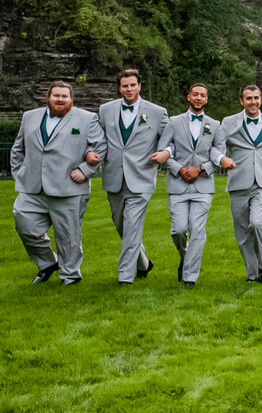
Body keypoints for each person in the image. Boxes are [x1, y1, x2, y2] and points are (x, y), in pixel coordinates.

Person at [11, 81, 105, 284]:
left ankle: (70, 275)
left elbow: (100, 147)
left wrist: (85, 171)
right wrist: (19, 173)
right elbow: (18, 148)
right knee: (24, 224)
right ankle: (47, 263)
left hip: (69, 187)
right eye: (56, 95)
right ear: (49, 97)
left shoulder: (87, 119)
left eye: (65, 96)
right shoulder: (30, 117)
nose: (60, 99)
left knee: (68, 236)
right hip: (32, 187)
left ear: (71, 99)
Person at [97, 69, 169, 284]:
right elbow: (98, 139)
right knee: (121, 225)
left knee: (132, 226)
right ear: (119, 88)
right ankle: (144, 263)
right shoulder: (105, 110)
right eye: (124, 86)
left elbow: (170, 139)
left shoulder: (157, 112)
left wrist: (166, 153)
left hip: (142, 176)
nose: (128, 89)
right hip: (114, 177)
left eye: (132, 85)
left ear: (140, 86)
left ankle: (125, 276)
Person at [157, 83, 230, 286]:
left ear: (206, 99)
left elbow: (218, 154)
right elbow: (163, 150)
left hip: (203, 185)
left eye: (202, 95)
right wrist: (180, 169)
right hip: (178, 183)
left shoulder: (215, 125)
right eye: (195, 94)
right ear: (188, 97)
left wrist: (200, 169)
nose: (198, 98)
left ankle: (190, 276)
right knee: (178, 230)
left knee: (197, 230)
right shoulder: (173, 122)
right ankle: (185, 256)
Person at [219, 84, 262, 284]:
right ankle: (252, 273)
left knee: (257, 222)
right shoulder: (229, 122)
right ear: (242, 101)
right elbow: (217, 147)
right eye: (249, 98)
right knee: (242, 232)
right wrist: (221, 158)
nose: (253, 102)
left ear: (261, 99)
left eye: (256, 98)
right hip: (238, 181)